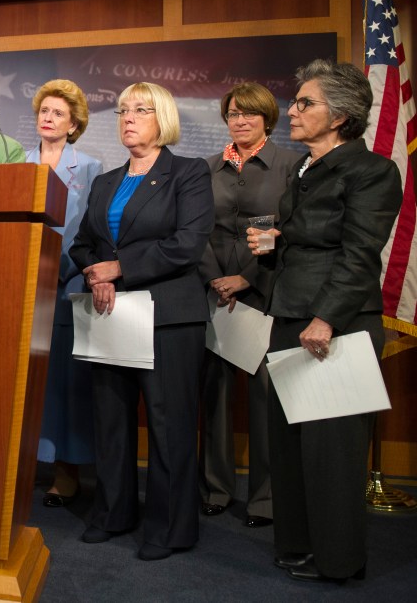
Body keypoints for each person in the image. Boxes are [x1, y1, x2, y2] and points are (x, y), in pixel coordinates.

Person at [248, 59, 402, 583]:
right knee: (288, 445)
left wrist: (327, 319)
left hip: (335, 326)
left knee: (332, 453)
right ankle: (297, 546)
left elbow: (360, 255)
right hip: (290, 315)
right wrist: (273, 245)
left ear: (339, 116)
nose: (292, 110)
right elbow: (304, 239)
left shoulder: (373, 171)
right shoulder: (301, 167)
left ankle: (339, 562)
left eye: (305, 103)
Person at [68, 82, 213, 561]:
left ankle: (169, 528)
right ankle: (113, 513)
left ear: (163, 118)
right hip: (110, 313)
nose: (128, 118)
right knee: (110, 419)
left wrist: (121, 266)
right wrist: (97, 272)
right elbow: (84, 244)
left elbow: (187, 244)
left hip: (168, 317)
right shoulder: (105, 181)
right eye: (124, 110)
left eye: (142, 110)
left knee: (169, 425)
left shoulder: (187, 173)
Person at [197, 82, 299, 528]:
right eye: (234, 113)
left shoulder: (291, 167)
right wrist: (216, 280)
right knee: (214, 399)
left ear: (267, 119)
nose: (240, 120)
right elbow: (196, 231)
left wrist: (246, 279)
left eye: (250, 114)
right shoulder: (206, 169)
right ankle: (216, 490)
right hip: (214, 295)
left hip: (265, 295)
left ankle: (264, 500)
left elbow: (293, 235)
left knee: (264, 403)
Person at [26, 79, 102, 507]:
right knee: (26, 383)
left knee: (62, 383)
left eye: (57, 113)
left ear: (73, 125)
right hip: (21, 285)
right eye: (43, 111)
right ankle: (23, 466)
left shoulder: (89, 168)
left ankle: (66, 473)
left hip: (66, 284)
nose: (48, 118)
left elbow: (89, 230)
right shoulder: (19, 160)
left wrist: (59, 268)